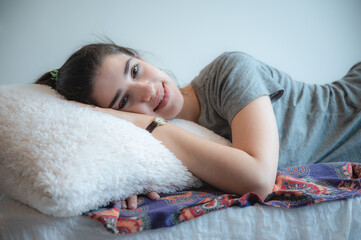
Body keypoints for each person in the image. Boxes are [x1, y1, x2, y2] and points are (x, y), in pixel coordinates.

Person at [35, 43, 361, 210]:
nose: (149, 90)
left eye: (135, 71)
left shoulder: (229, 71)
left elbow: (259, 180)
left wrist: (148, 122)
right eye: (123, 101)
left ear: (139, 57)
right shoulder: (157, 143)